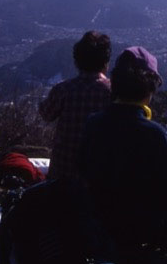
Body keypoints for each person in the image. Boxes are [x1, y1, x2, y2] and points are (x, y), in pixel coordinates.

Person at [81, 47, 167, 259]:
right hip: (142, 231)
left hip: (99, 224)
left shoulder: (93, 124)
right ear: (149, 89)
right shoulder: (154, 134)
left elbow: (84, 171)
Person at [39, 31, 112, 181]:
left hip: (62, 173)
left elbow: (46, 114)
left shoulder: (63, 90)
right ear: (106, 62)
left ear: (77, 62)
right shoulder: (114, 92)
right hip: (99, 175)